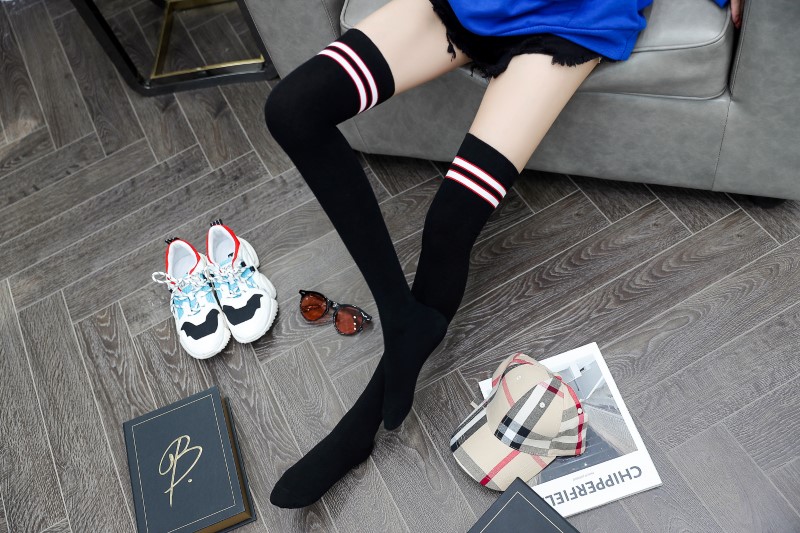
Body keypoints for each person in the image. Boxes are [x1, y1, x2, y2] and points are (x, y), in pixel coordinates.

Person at [263, 0, 741, 508]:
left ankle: (359, 428)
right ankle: (401, 313)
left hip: (570, 19)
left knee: (451, 223)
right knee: (292, 110)